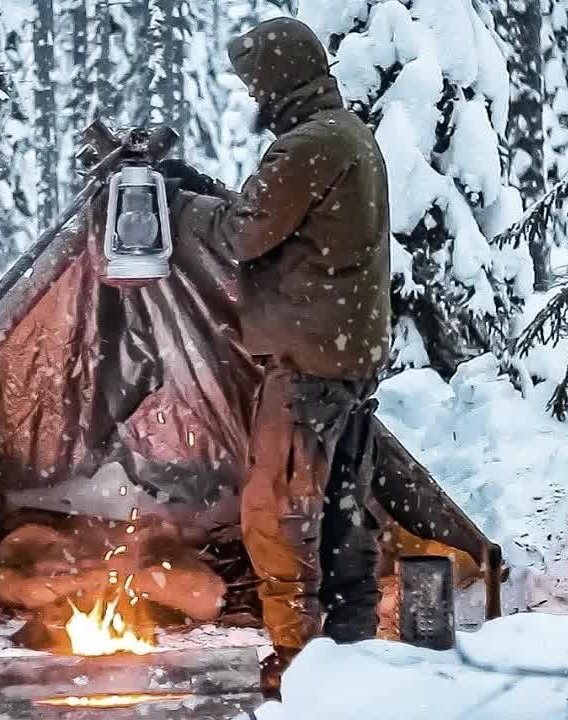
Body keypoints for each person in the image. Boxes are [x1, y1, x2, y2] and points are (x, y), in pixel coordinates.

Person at [159, 16, 392, 698]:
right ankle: (350, 643)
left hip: (309, 359)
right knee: (345, 505)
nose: (251, 94)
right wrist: (208, 187)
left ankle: (299, 657)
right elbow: (277, 218)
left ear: (279, 78)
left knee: (278, 513)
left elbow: (243, 234)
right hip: (346, 355)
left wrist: (179, 203)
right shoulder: (346, 137)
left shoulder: (309, 146)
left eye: (255, 80)